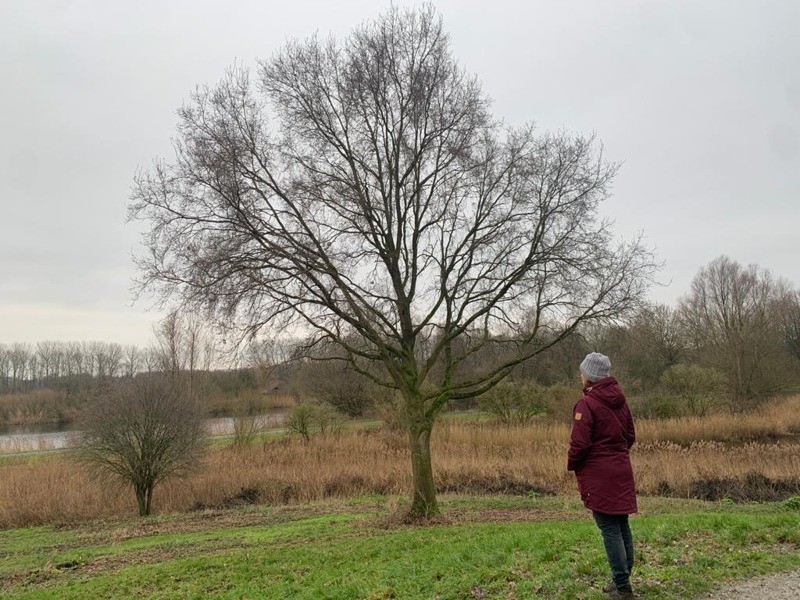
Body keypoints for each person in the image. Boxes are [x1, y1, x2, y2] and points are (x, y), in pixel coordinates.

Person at [567, 352, 637, 600]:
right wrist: (615, 455)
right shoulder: (621, 401)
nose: (581, 375)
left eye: (583, 371)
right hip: (621, 469)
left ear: (589, 376)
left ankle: (622, 586)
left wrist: (573, 464)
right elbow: (630, 436)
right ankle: (623, 577)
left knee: (609, 527)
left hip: (600, 473)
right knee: (621, 524)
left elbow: (580, 444)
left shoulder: (586, 404)